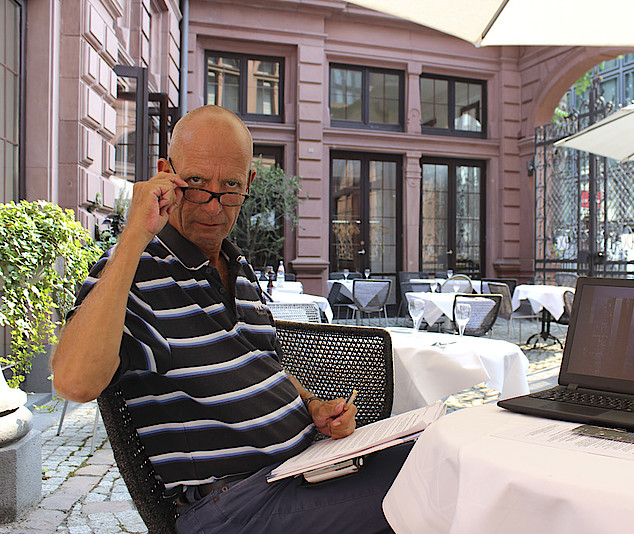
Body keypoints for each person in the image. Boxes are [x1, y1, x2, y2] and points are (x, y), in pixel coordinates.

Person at [51, 105, 410, 533]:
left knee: (433, 454)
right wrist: (133, 235)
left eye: (230, 187)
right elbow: (73, 382)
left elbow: (265, 362)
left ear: (249, 183)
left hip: (301, 471)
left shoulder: (237, 266)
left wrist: (314, 407)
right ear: (166, 175)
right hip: (230, 504)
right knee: (432, 485)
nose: (212, 207)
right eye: (195, 184)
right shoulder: (135, 272)